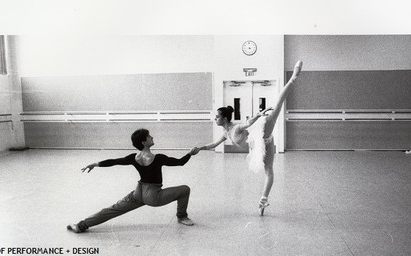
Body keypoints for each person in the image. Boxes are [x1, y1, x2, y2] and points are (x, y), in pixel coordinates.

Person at [197, 61, 303, 215]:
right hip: (265, 142)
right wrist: (200, 148)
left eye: (217, 117)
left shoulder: (235, 128)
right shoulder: (226, 133)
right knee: (268, 171)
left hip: (261, 132)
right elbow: (214, 144)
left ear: (225, 119)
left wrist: (259, 115)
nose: (215, 119)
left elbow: (247, 123)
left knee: (278, 105)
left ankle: (293, 77)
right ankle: (263, 199)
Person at [67, 128, 200, 233]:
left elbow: (114, 162)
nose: (152, 137)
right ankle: (182, 216)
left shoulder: (133, 157)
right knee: (185, 189)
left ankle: (81, 225)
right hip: (153, 195)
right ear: (144, 142)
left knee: (113, 209)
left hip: (139, 191)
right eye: (149, 136)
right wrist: (190, 153)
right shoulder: (158, 158)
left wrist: (95, 164)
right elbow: (180, 162)